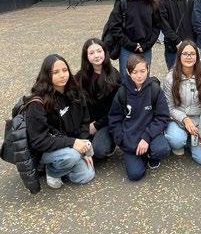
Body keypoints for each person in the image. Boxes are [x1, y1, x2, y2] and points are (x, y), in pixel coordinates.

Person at [25, 54, 95, 189]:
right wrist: (73, 143)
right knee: (72, 156)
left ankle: (64, 165)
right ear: (46, 75)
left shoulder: (75, 91)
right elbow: (39, 141)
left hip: (69, 144)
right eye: (55, 72)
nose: (62, 75)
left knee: (86, 175)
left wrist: (84, 147)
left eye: (65, 70)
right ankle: (52, 171)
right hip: (46, 149)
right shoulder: (37, 103)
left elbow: (85, 121)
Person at [108, 55, 171, 181]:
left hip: (150, 133)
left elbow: (163, 117)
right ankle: (140, 155)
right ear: (128, 72)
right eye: (134, 72)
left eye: (142, 71)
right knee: (135, 175)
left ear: (148, 69)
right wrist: (122, 140)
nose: (139, 75)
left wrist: (146, 138)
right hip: (130, 137)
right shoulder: (122, 92)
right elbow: (114, 119)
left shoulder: (155, 89)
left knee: (162, 149)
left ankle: (151, 156)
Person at [163, 40, 201, 164]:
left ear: (197, 56)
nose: (189, 57)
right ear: (179, 56)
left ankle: (192, 139)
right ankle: (181, 140)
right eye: (185, 54)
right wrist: (185, 119)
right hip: (178, 120)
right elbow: (169, 107)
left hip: (198, 120)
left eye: (192, 54)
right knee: (176, 140)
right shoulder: (170, 78)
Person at [106, 0, 160, 79]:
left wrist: (147, 44)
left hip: (146, 49)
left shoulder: (150, 2)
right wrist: (131, 44)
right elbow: (114, 26)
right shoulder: (122, 2)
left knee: (143, 79)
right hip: (127, 49)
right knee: (127, 80)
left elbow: (156, 26)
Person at [75, 38, 121, 159]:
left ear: (105, 52)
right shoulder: (80, 77)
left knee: (98, 151)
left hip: (106, 122)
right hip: (86, 122)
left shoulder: (114, 76)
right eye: (91, 53)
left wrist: (96, 125)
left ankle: (110, 143)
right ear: (86, 56)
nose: (96, 55)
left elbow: (116, 110)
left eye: (99, 51)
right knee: (79, 149)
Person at [158, 0, 195, 69]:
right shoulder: (163, 1)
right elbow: (164, 24)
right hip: (173, 48)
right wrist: (177, 42)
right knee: (174, 75)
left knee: (191, 75)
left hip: (191, 47)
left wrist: (193, 42)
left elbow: (196, 22)